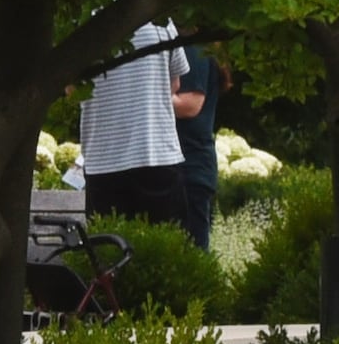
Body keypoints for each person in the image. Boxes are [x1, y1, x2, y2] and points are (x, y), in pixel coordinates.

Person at [76, 17, 193, 226]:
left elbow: (73, 91)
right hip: (158, 154)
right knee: (165, 250)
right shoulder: (159, 20)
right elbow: (174, 84)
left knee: (109, 250)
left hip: (104, 159)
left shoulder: (84, 21)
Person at [170, 35, 229, 248]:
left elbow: (189, 104)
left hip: (189, 166)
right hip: (187, 165)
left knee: (192, 250)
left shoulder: (193, 49)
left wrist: (147, 96)